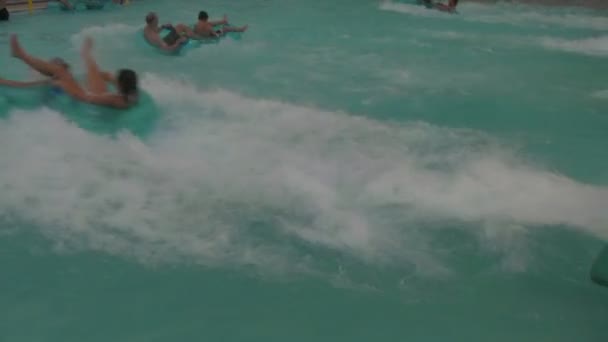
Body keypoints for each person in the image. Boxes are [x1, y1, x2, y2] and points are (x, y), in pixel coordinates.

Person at [9, 34, 139, 109]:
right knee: (90, 67)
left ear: (121, 85)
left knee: (61, 72)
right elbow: (110, 82)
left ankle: (21, 55)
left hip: (87, 98)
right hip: (98, 95)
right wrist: (105, 77)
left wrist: (65, 85)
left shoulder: (114, 98)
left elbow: (85, 98)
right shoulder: (132, 94)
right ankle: (86, 51)